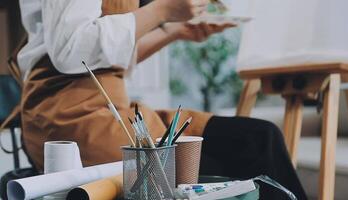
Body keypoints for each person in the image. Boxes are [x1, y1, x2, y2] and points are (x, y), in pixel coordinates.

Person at [17, 0, 307, 199]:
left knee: (258, 139)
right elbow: (70, 51)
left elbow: (108, 59)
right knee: (212, 170)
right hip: (65, 111)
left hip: (113, 106)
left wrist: (175, 31)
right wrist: (162, 10)